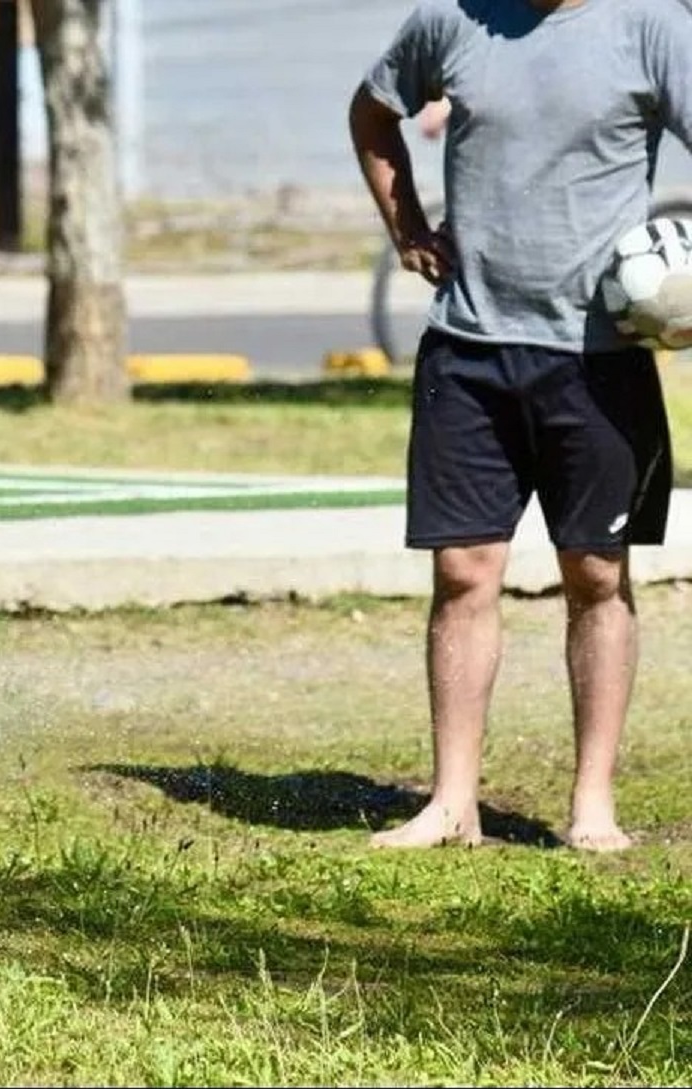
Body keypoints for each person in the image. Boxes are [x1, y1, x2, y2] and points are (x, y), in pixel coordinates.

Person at [348, 0, 692, 852]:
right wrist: (408, 232)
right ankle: (451, 802)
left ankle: (593, 806)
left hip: (599, 357)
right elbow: (373, 111)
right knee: (463, 573)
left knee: (597, 575)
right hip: (468, 350)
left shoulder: (652, 27)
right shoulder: (454, 21)